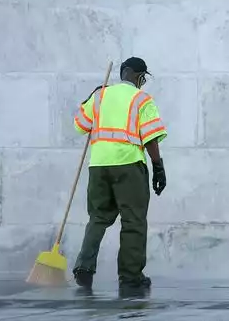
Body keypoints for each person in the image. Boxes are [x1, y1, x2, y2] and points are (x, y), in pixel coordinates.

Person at [71, 57, 168, 292]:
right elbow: (151, 137)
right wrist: (158, 166)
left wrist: (89, 98)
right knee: (133, 220)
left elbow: (80, 125)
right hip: (129, 165)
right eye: (142, 77)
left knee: (98, 218)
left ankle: (84, 267)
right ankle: (130, 276)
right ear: (138, 76)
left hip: (99, 166)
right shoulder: (141, 99)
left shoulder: (100, 95)